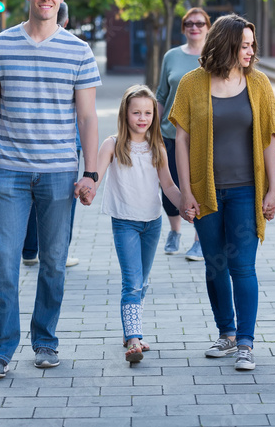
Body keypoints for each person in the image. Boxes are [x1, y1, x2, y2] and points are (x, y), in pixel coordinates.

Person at [0, 0, 101, 379]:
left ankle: (45, 342)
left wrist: (92, 173)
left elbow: (88, 118)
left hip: (60, 173)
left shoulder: (78, 50)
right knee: (5, 261)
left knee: (55, 263)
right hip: (9, 171)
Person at [169, 14, 275, 370]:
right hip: (206, 192)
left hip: (247, 191)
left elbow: (268, 139)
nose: (251, 51)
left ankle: (246, 343)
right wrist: (185, 191)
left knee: (242, 267)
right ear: (227, 44)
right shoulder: (192, 83)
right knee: (214, 264)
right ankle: (227, 333)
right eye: (245, 45)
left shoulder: (259, 83)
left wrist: (273, 191)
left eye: (253, 45)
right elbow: (182, 140)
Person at [89, 85, 194, 362]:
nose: (142, 118)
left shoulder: (157, 145)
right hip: (125, 222)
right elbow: (96, 175)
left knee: (143, 281)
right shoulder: (112, 144)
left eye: (147, 113)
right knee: (132, 282)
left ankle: (129, 330)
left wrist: (184, 203)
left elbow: (168, 185)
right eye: (136, 112)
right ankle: (134, 340)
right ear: (125, 114)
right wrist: (88, 188)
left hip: (152, 222)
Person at [22, 1, 80, 268]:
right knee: (62, 201)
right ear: (66, 21)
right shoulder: (76, 49)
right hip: (66, 142)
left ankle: (30, 249)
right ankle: (58, 253)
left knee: (32, 196)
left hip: (26, 145)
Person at [156, 7, 211, 260]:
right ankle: (175, 232)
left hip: (203, 137)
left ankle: (200, 239)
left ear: (208, 27)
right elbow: (161, 96)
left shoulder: (214, 56)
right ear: (183, 27)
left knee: (200, 187)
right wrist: (152, 131)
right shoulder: (171, 56)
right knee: (170, 186)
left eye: (199, 23)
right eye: (189, 23)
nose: (194, 27)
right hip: (169, 132)